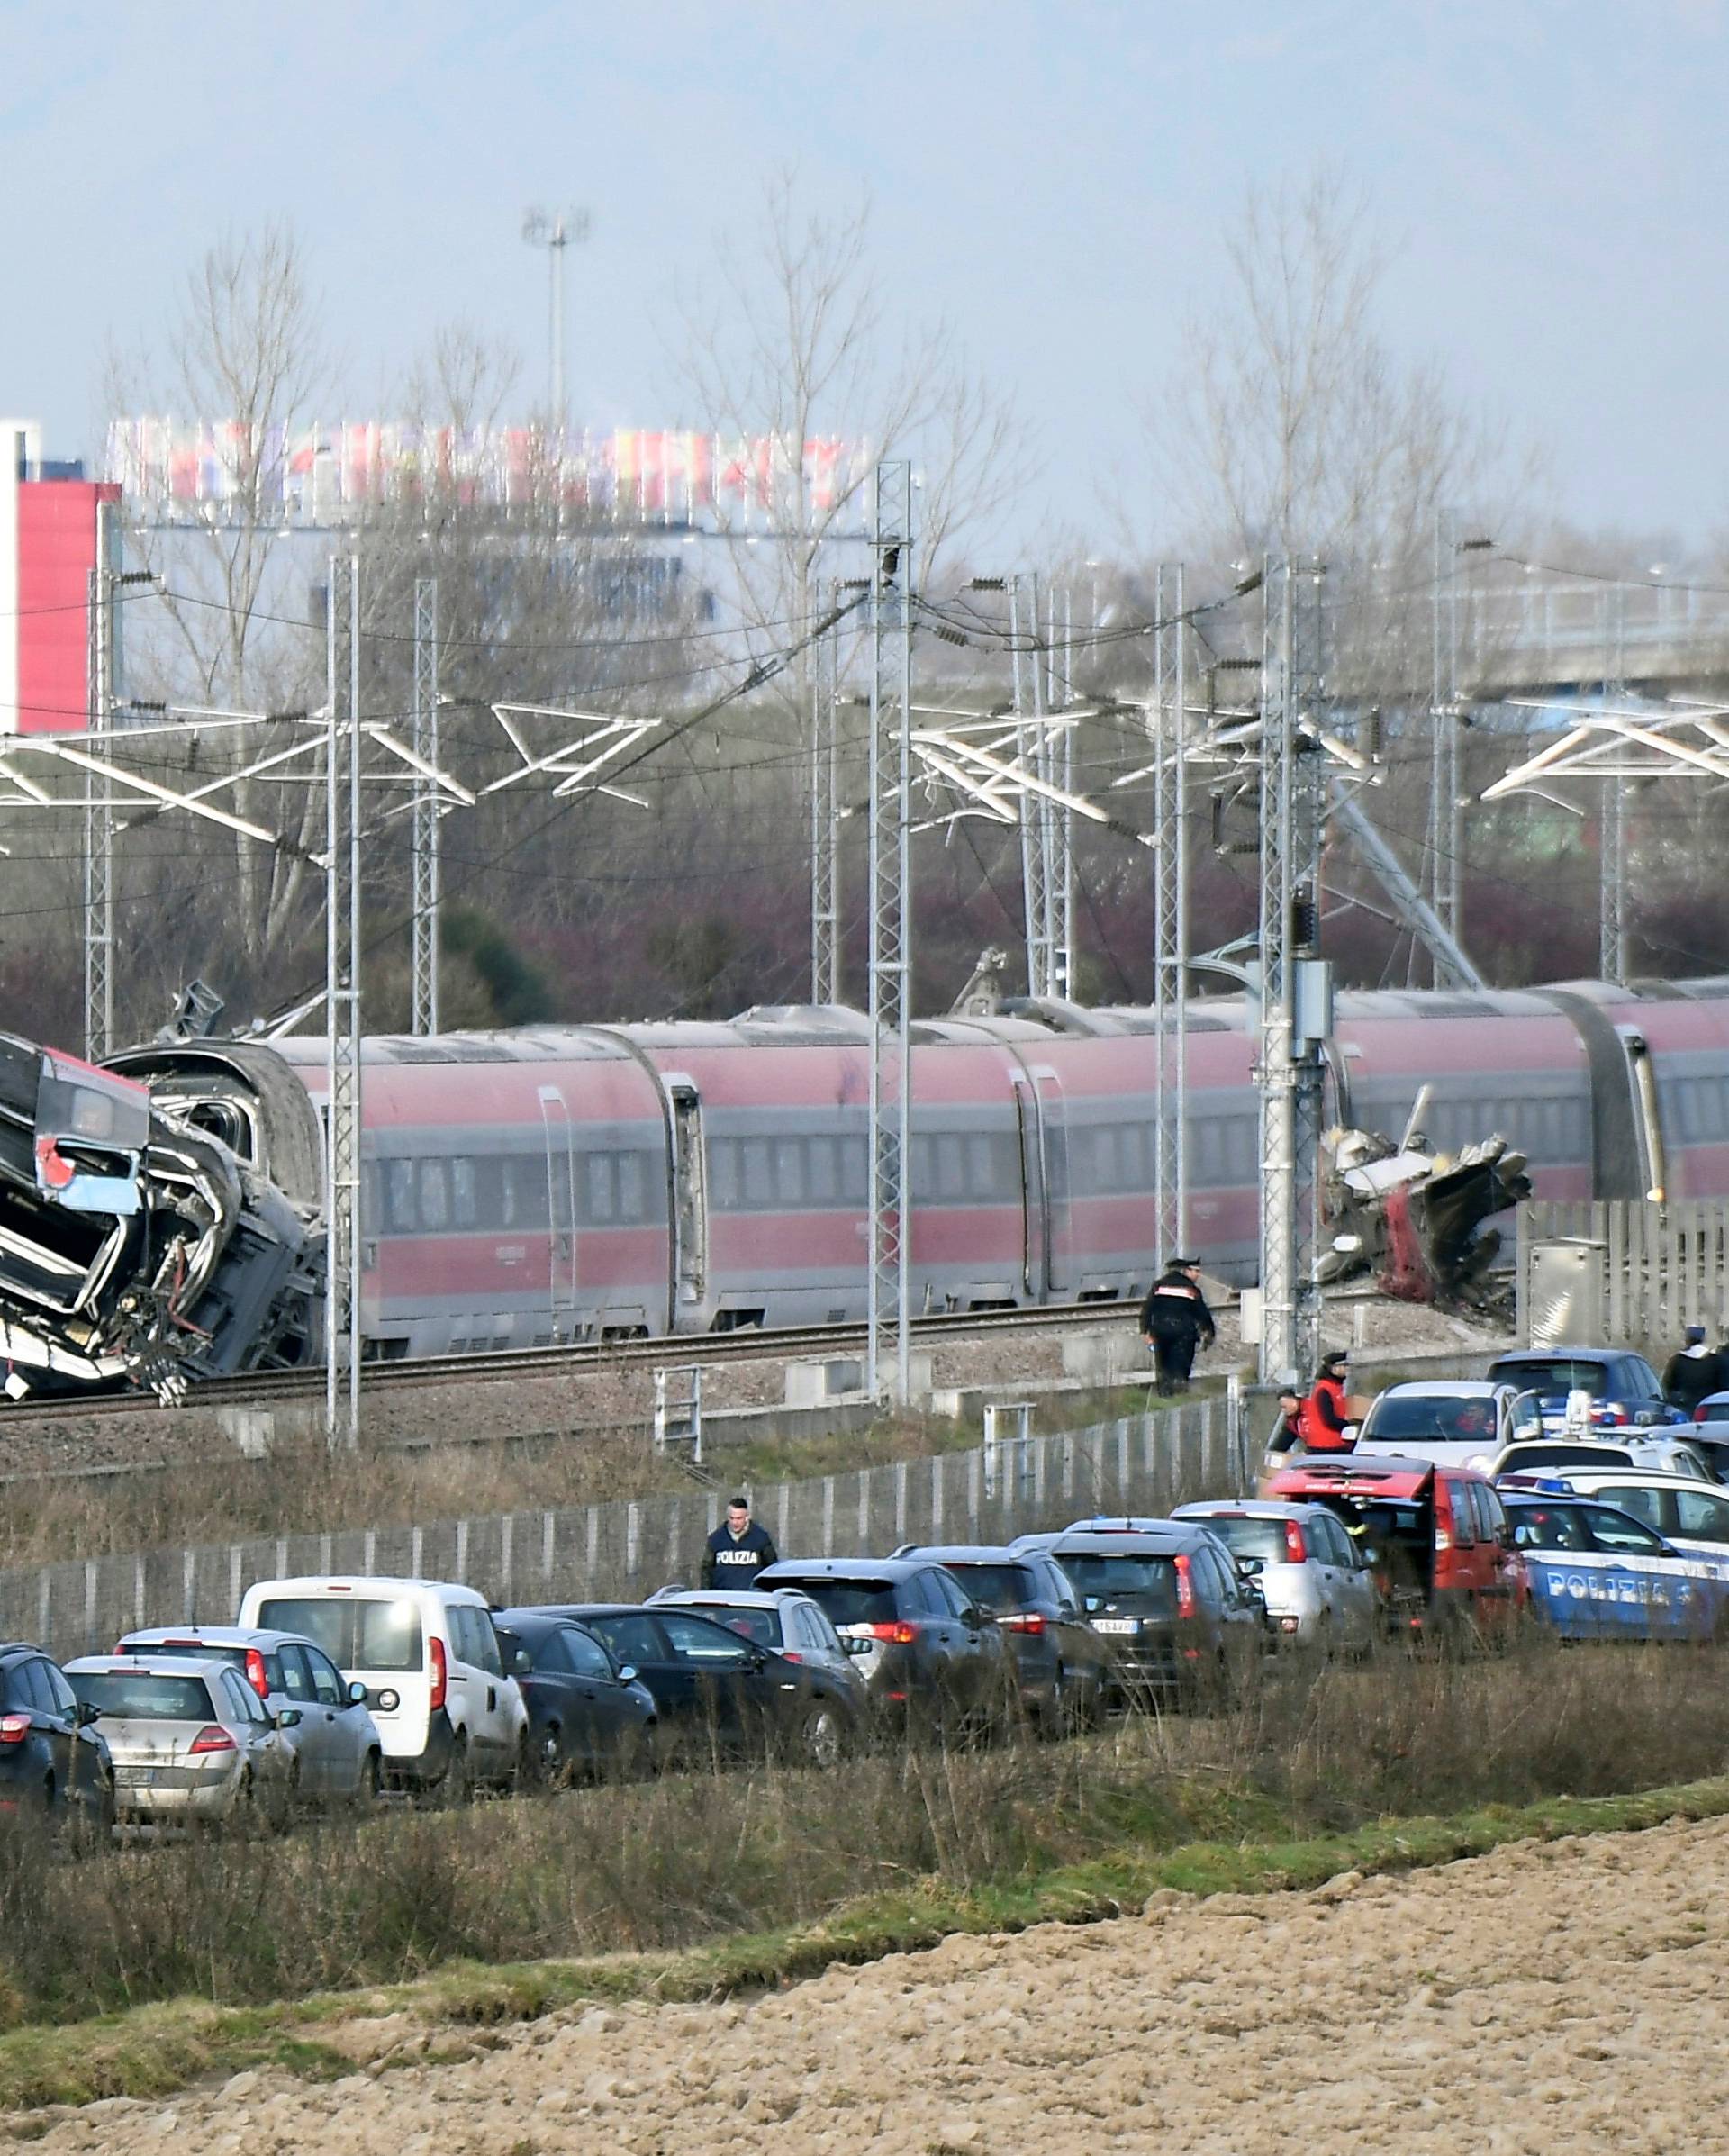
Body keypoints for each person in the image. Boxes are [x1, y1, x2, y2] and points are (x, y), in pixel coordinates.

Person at [1139, 1256, 1217, 1397]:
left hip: (1160, 1332)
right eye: (1195, 1271)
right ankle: (1180, 1389)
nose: (1198, 1275)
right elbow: (1202, 1313)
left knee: (1163, 1364)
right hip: (1183, 1333)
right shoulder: (1191, 1290)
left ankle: (1165, 1393)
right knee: (1181, 1364)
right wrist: (1209, 1331)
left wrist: (1144, 1331)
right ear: (1185, 1271)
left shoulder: (1159, 1286)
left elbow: (1148, 1308)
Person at [701, 1496, 779, 1589]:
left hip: (752, 1598)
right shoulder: (716, 1539)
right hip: (722, 1597)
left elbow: (772, 1568)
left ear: (747, 1517)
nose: (735, 1523)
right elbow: (706, 1569)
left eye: (739, 1518)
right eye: (732, 1518)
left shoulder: (761, 1538)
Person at [1663, 1325, 1724, 1418]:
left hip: (1682, 1407)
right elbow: (1722, 1386)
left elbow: (1667, 1385)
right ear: (1703, 1339)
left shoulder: (1676, 1360)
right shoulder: (1715, 1360)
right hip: (1710, 1409)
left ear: (1688, 1339)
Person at [1303, 1350, 1355, 1453]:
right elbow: (1329, 1420)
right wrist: (1349, 1425)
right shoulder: (1324, 1389)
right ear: (1334, 1368)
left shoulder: (1335, 1387)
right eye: (1344, 1366)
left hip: (1334, 1443)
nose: (1346, 1369)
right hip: (1326, 1445)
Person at [1267, 1388, 1307, 1456]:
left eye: (1284, 1407)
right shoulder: (1291, 1421)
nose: (1283, 1410)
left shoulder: (1310, 1411)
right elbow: (1281, 1444)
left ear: (1293, 1402)